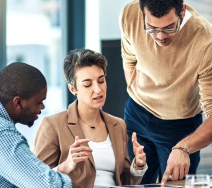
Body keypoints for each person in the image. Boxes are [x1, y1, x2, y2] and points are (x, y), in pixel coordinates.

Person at [119, 0, 212, 185]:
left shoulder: (205, 40)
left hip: (180, 126)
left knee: (174, 185)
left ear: (182, 11)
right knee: (131, 182)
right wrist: (138, 93)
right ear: (142, 13)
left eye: (169, 27)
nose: (160, 36)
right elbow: (129, 59)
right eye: (152, 28)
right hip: (137, 114)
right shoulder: (130, 15)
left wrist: (184, 147)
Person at [34, 49, 148, 188]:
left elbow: (124, 182)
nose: (98, 90)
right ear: (73, 89)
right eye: (88, 84)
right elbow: (37, 181)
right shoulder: (53, 125)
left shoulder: (118, 125)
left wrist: (138, 166)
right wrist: (66, 166)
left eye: (101, 81)